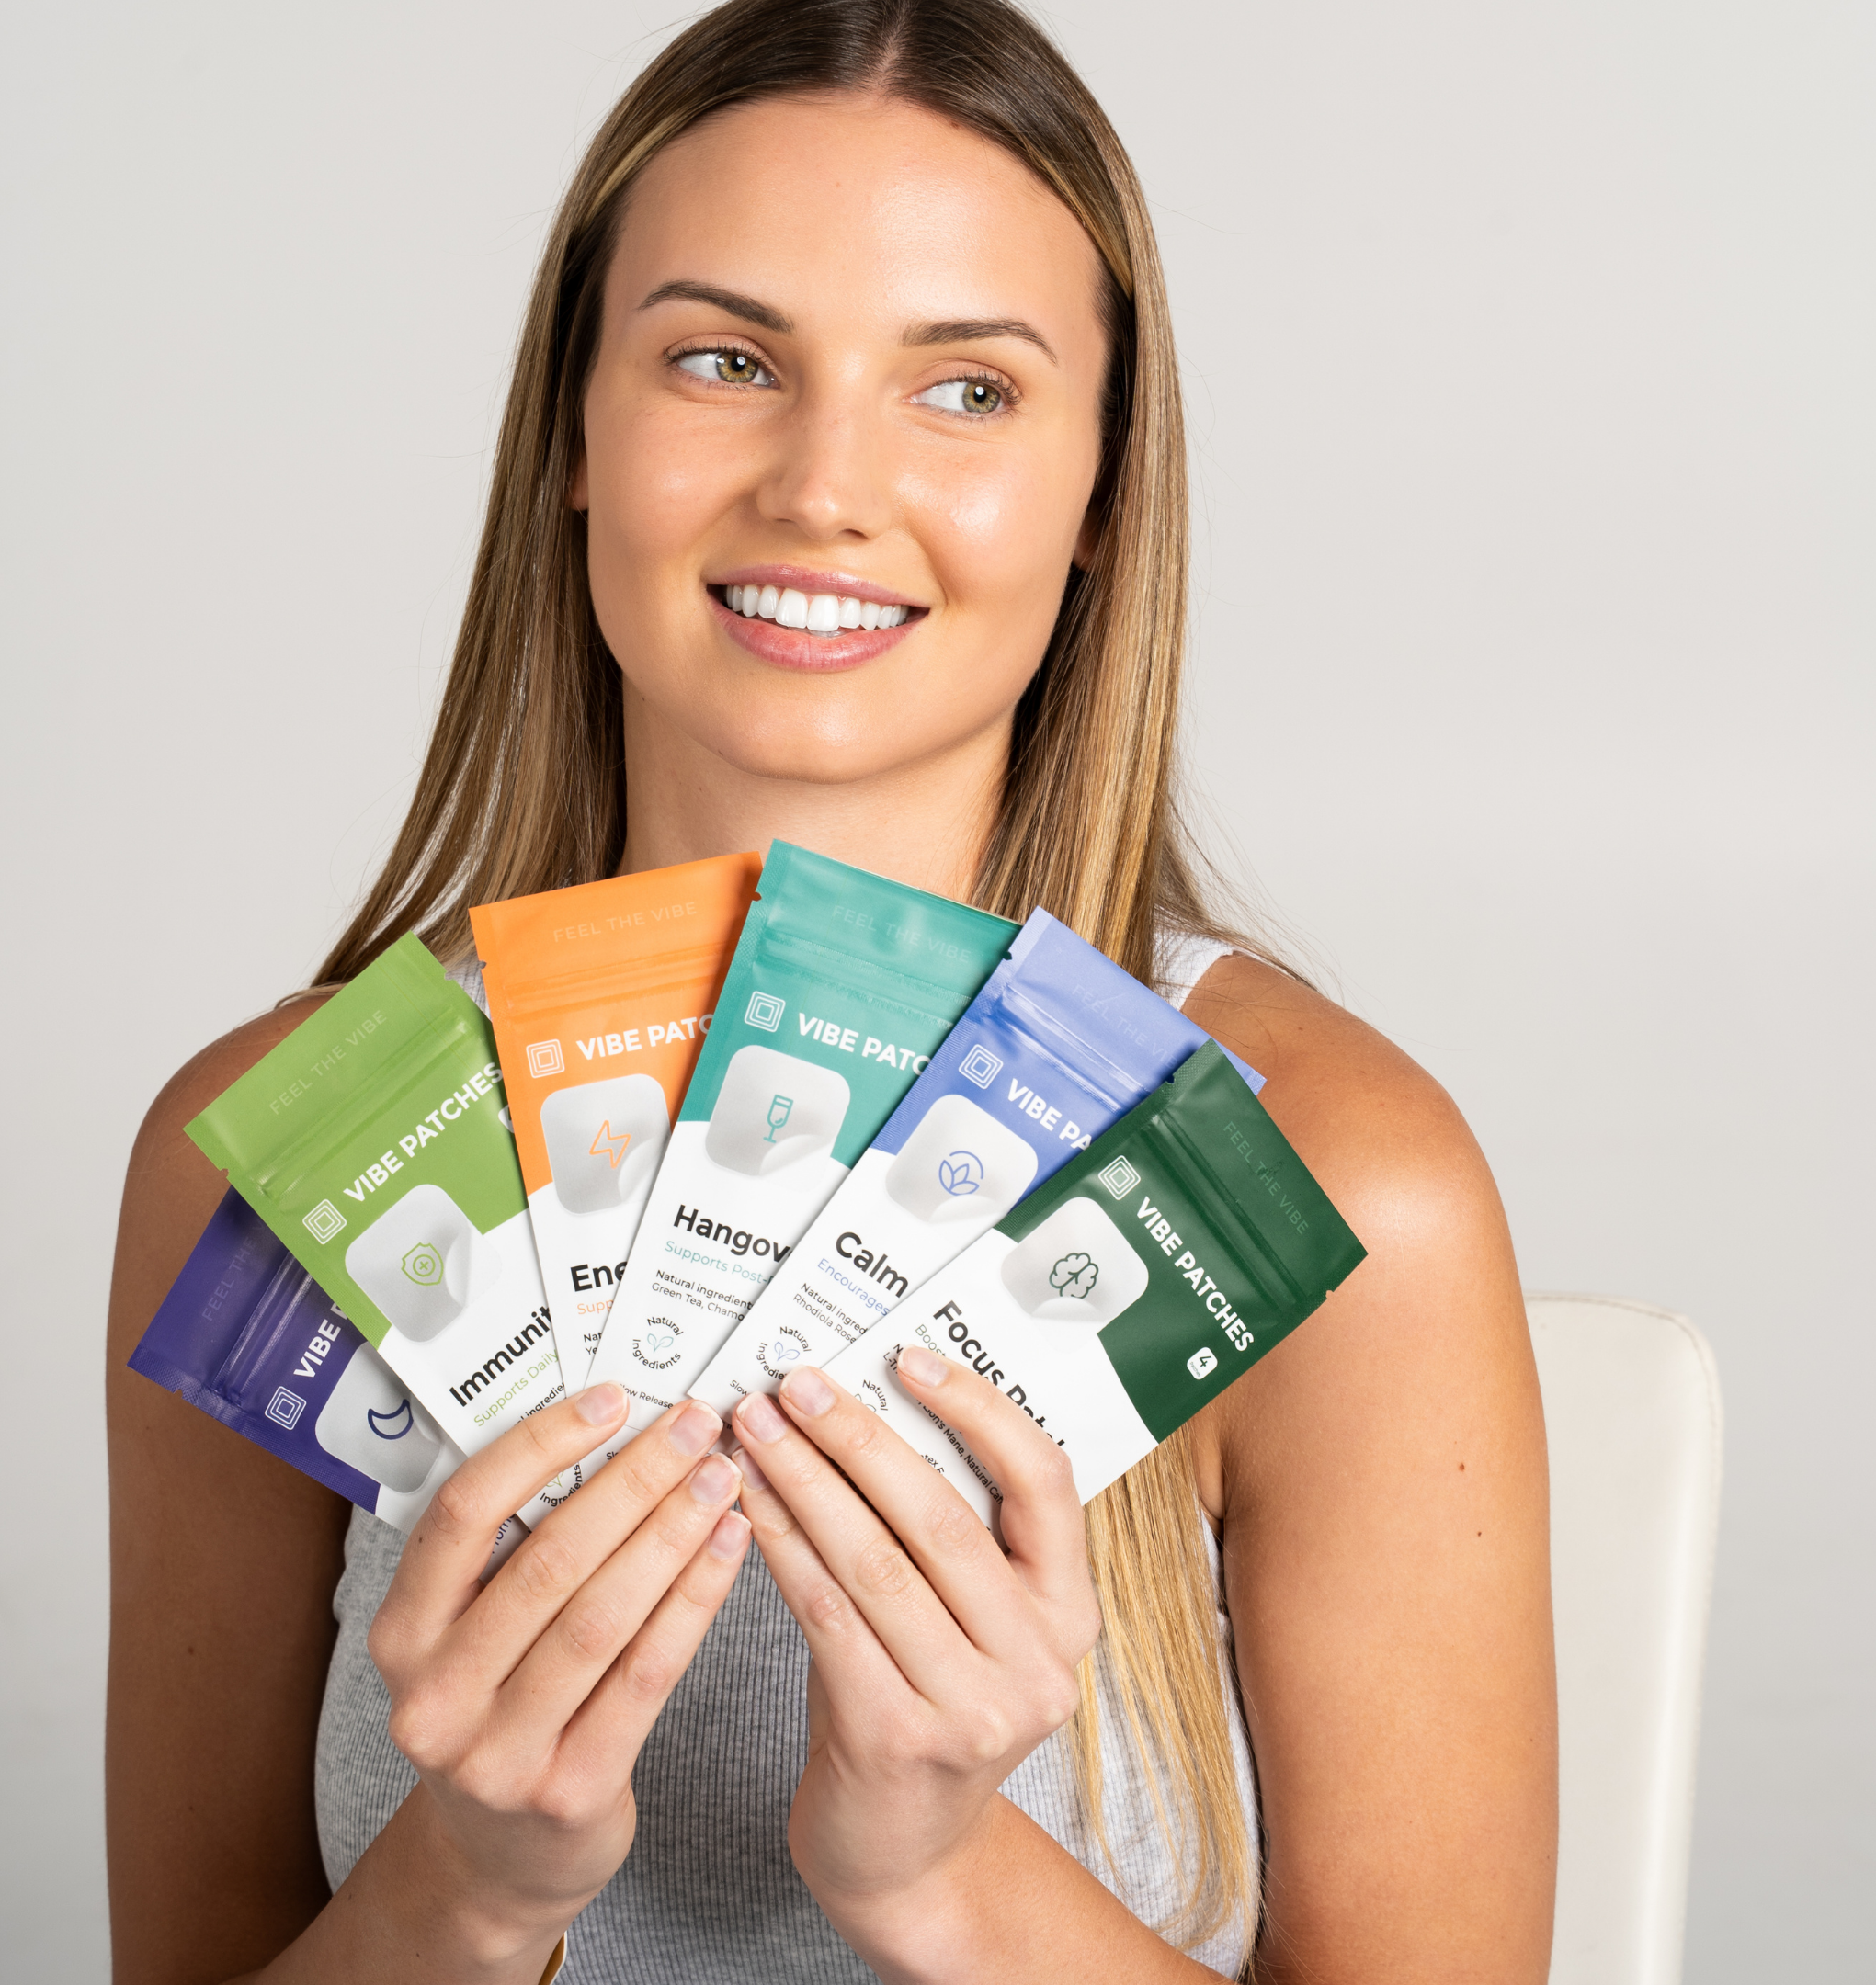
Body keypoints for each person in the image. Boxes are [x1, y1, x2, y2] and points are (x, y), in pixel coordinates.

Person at [105, 3, 1556, 1979]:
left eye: (966, 392)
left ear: (1101, 497)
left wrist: (937, 1873)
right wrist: (472, 1891)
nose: (821, 486)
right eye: (723, 360)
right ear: (573, 441)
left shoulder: (1330, 1184)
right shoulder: (272, 1158)